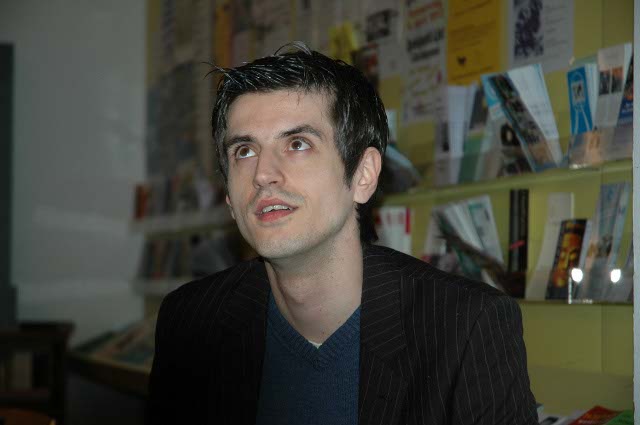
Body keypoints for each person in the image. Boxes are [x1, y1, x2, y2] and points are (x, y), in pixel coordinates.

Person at [146, 43, 538, 425]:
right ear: (230, 198)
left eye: (297, 144)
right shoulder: (192, 322)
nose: (263, 174)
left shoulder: (467, 326)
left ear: (363, 176)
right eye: (244, 151)